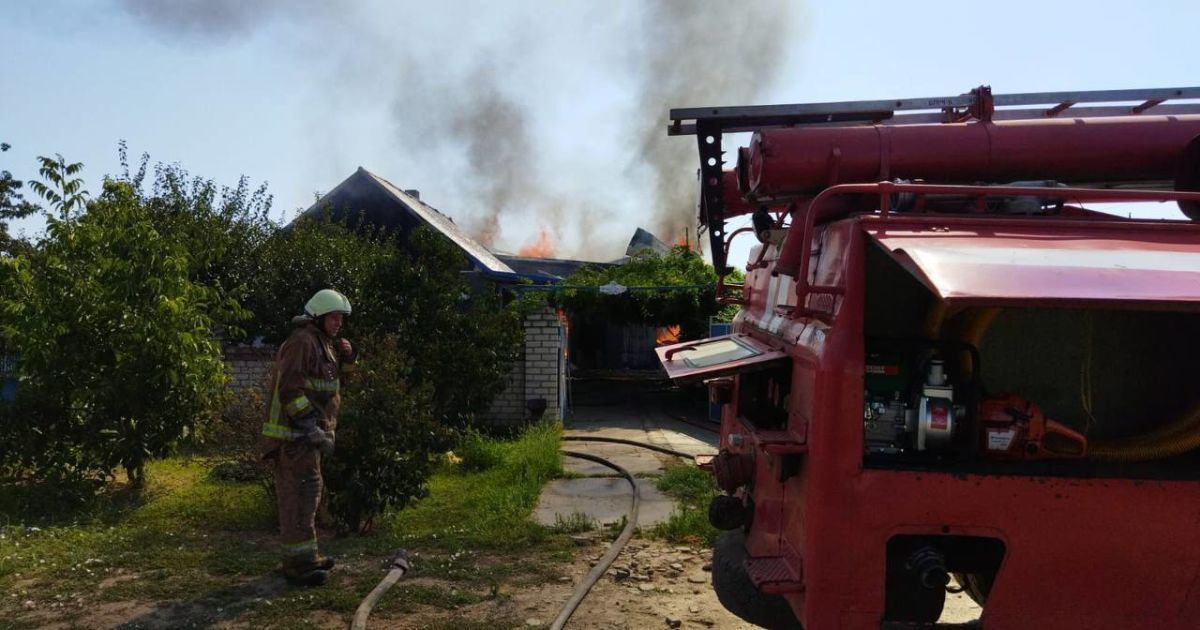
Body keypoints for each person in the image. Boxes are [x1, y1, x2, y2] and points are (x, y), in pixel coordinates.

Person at [260, 289, 358, 586]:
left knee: (308, 497)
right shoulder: (302, 342)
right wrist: (310, 427)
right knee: (299, 499)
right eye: (334, 317)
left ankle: (306, 558)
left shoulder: (323, 344)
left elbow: (335, 387)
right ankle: (297, 566)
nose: (339, 323)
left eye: (341, 318)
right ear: (318, 317)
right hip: (294, 439)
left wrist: (350, 357)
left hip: (307, 439)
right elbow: (290, 390)